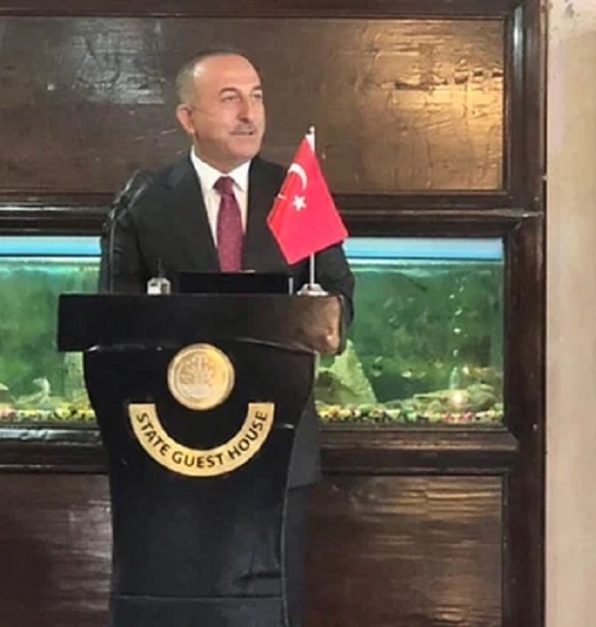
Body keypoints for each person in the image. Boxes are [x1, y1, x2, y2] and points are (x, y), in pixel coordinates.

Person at [99, 48, 355, 626]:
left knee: (270, 606)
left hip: (278, 444)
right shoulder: (145, 200)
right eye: (230, 99)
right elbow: (112, 320)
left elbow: (342, 297)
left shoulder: (295, 193)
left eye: (257, 97)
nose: (249, 114)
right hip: (170, 447)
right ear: (188, 118)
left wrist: (320, 315)